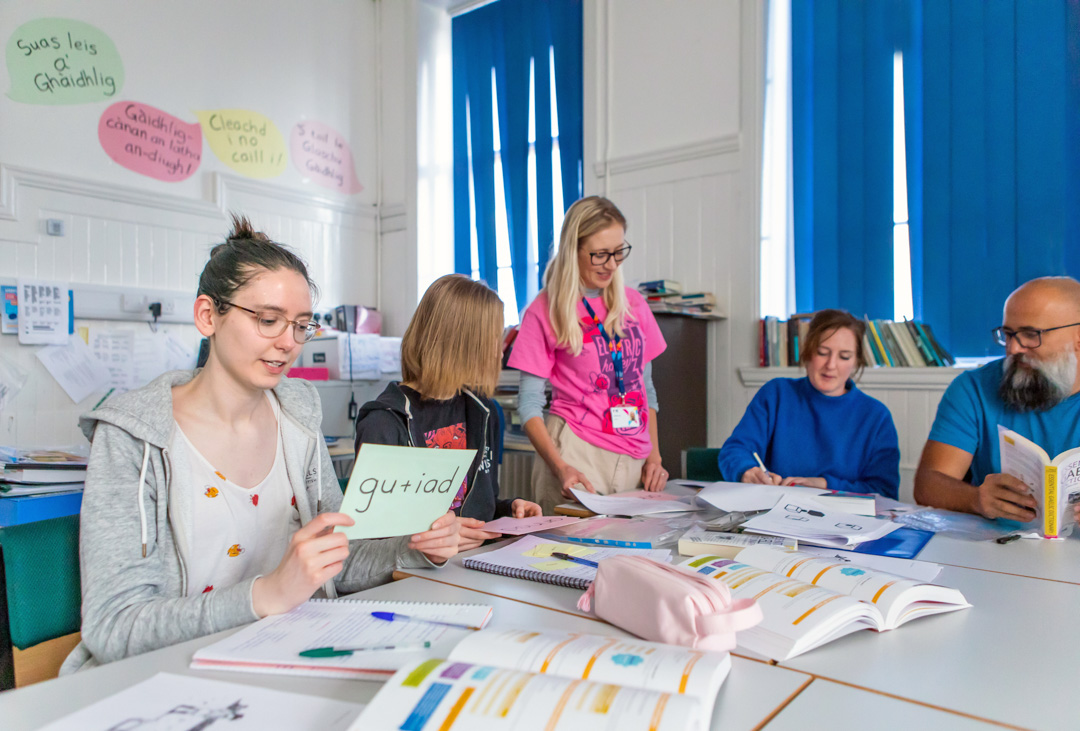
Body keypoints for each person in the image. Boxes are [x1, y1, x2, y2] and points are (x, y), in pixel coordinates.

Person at [62, 215, 459, 673]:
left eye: (301, 326)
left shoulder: (297, 419)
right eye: (268, 320)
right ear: (208, 316)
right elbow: (115, 626)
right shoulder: (134, 436)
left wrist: (414, 548)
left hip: (285, 656)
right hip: (171, 678)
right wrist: (267, 594)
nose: (287, 343)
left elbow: (335, 562)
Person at [354, 274, 542, 551]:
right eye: (492, 340)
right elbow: (373, 545)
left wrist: (509, 510)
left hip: (474, 567)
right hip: (415, 575)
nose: (499, 354)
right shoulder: (383, 423)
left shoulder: (485, 411)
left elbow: (477, 508)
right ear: (463, 344)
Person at [509, 196, 668, 515]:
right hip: (576, 454)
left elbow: (645, 390)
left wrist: (655, 457)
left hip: (634, 457)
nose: (612, 264)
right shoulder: (545, 310)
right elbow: (528, 404)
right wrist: (559, 467)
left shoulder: (634, 304)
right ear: (573, 251)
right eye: (600, 255)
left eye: (619, 251)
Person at [914, 277, 1080, 524]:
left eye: (1030, 334)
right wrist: (976, 499)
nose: (1013, 349)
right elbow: (928, 484)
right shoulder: (974, 388)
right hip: (994, 548)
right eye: (1008, 334)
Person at [717, 309, 901, 498]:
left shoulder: (876, 416)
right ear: (807, 351)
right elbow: (735, 450)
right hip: (774, 515)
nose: (831, 365)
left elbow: (884, 492)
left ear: (856, 361)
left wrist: (824, 484)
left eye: (844, 356)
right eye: (822, 352)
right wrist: (746, 471)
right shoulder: (776, 394)